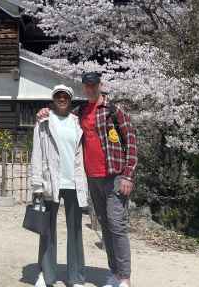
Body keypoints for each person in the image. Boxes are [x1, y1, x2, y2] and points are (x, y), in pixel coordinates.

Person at [37, 72, 138, 287]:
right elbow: (60, 115)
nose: (91, 89)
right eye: (87, 86)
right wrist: (45, 110)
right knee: (105, 223)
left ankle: (124, 277)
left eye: (94, 86)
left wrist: (128, 175)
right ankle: (114, 273)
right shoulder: (80, 112)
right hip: (91, 178)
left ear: (100, 85)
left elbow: (131, 141)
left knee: (117, 225)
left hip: (114, 176)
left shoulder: (113, 110)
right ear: (84, 88)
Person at [30, 85, 88, 287]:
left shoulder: (77, 122)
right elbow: (37, 153)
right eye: (58, 96)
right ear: (53, 99)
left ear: (70, 100)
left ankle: (76, 277)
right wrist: (36, 184)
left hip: (74, 181)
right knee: (47, 229)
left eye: (65, 96)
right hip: (50, 181)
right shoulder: (44, 121)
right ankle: (46, 275)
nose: (62, 99)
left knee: (76, 230)